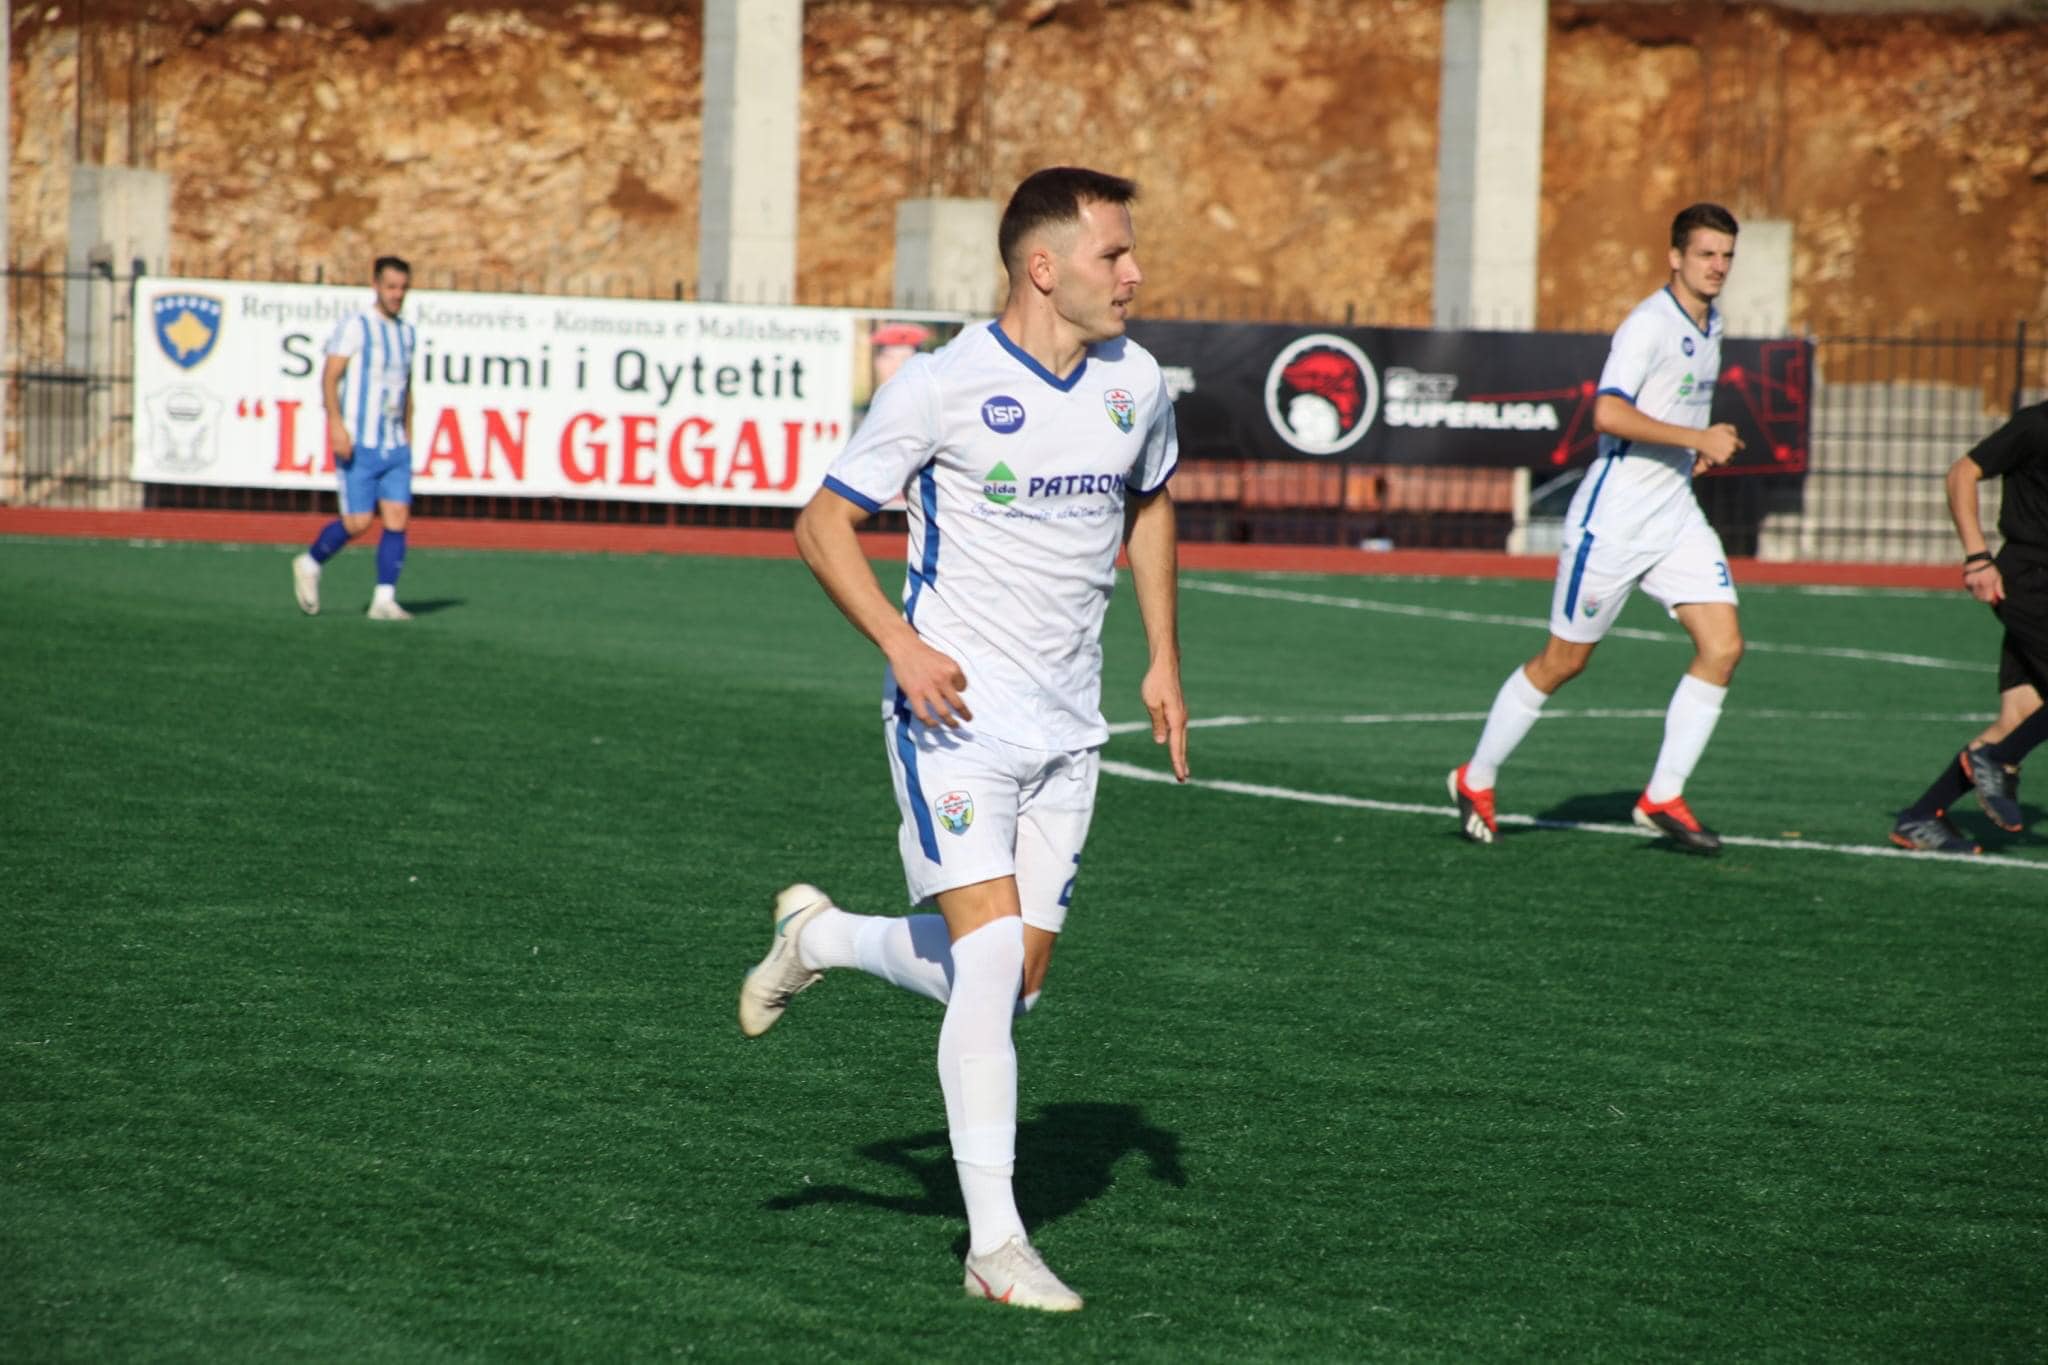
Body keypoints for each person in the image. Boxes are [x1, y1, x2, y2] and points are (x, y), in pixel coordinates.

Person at [736, 167, 1189, 1312]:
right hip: (954, 721)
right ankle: (995, 1247)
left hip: (1069, 729)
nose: (1133, 273)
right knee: (985, 965)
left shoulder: (1136, 381)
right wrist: (898, 643)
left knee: (1013, 985)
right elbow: (822, 523)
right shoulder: (939, 386)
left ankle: (820, 938)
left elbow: (1149, 501)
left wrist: (1163, 656)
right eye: (1111, 255)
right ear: (1043, 267)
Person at [1449, 203, 1748, 853]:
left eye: (1726, 255)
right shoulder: (1648, 325)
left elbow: (1670, 407)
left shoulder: (1713, 321)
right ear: (1675, 257)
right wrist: (1696, 437)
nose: (1718, 266)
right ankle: (1476, 777)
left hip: (1675, 515)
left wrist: (1690, 451)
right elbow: (1608, 414)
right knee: (1565, 661)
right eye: (1706, 254)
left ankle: (1663, 795)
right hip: (1614, 523)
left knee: (1723, 646)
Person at [1889, 400, 2048, 853]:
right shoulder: (2037, 425)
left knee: (2019, 718)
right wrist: (1978, 556)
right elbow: (1963, 472)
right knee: (2008, 742)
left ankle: (1921, 817)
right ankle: (1998, 759)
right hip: (2032, 579)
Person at [292, 255, 418, 621]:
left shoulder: (407, 333)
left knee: (397, 516)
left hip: (394, 443)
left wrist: (409, 432)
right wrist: (336, 424)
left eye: (403, 288)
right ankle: (311, 562)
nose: (397, 294)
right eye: (391, 287)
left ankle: (384, 599)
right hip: (360, 441)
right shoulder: (356, 326)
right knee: (358, 522)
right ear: (376, 286)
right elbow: (330, 376)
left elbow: (406, 386)